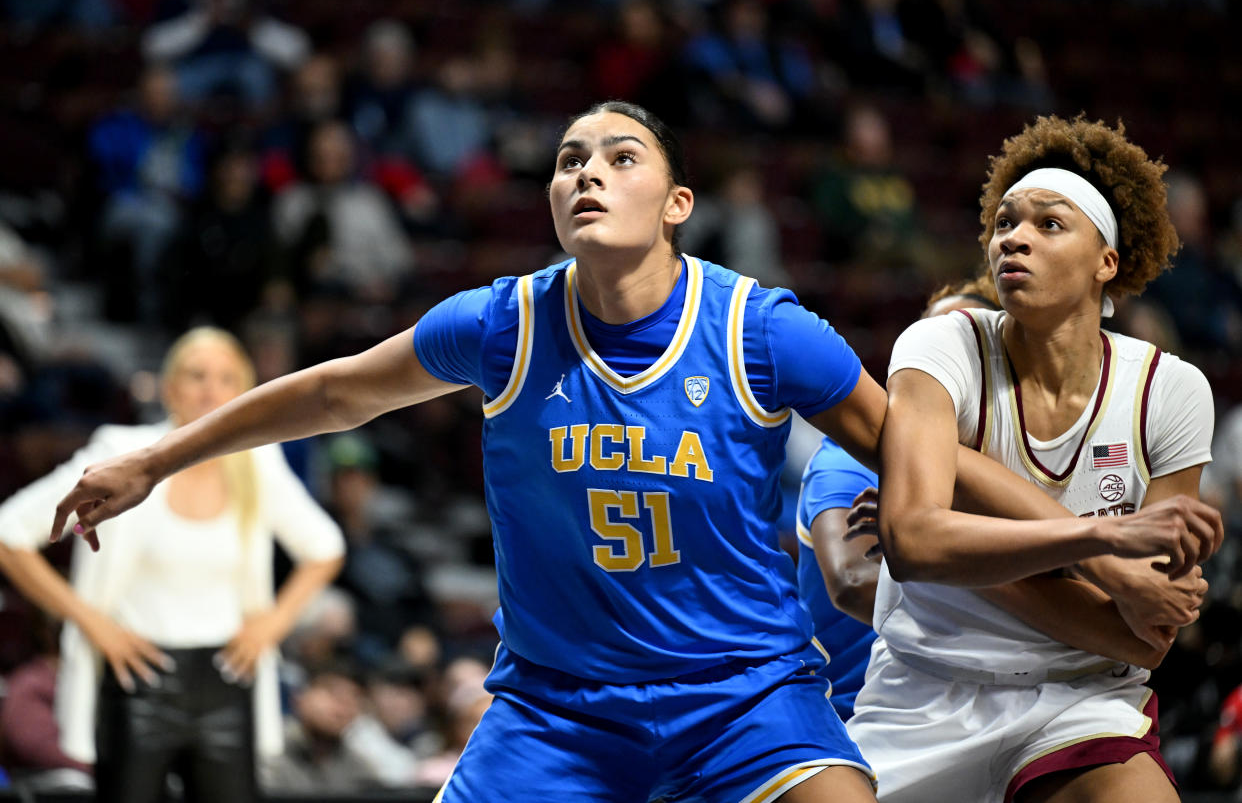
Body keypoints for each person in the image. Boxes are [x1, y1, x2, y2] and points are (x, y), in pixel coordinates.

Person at [48, 103, 1210, 803]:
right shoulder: (503, 322)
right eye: (567, 160)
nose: (586, 171)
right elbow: (338, 390)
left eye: (617, 157)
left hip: (746, 698)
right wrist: (156, 455)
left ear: (677, 202)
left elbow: (932, 453)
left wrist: (1106, 560)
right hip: (557, 709)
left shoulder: (761, 329)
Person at [847, 115, 1223, 803]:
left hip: (1082, 699)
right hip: (924, 692)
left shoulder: (1170, 390)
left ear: (1106, 261)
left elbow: (1143, 635)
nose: (1013, 237)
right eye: (1005, 223)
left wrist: (976, 551)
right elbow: (912, 542)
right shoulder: (941, 347)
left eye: (1049, 224)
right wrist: (1097, 542)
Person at [0, 327, 345, 803]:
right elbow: (8, 533)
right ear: (168, 388)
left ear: (244, 393)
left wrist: (273, 624)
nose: (211, 389)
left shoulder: (256, 460)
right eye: (196, 374)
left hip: (229, 680)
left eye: (227, 378)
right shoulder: (120, 451)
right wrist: (91, 624)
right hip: (137, 678)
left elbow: (325, 547)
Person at [796, 272, 999, 722]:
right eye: (934, 339)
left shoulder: (1012, 463)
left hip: (981, 706)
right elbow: (852, 582)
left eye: (967, 347)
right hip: (855, 716)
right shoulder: (857, 454)